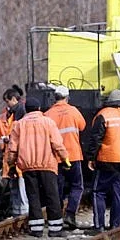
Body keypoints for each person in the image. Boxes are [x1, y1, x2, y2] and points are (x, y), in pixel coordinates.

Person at [7, 96, 70, 237]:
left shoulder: (19, 125)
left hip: (28, 167)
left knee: (33, 196)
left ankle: (36, 229)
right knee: (52, 195)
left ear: (26, 109)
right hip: (47, 164)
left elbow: (12, 149)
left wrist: (11, 165)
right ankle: (55, 229)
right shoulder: (48, 122)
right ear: (39, 108)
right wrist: (65, 159)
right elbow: (57, 144)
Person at [85, 89, 120, 233]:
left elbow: (96, 139)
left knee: (98, 192)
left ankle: (99, 226)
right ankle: (116, 226)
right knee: (119, 194)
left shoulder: (103, 114)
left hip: (106, 160)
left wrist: (90, 158)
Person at [44, 85, 86, 230]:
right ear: (67, 97)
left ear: (54, 98)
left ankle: (57, 216)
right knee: (77, 186)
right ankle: (70, 214)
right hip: (73, 155)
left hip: (56, 157)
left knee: (57, 188)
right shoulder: (74, 111)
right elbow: (82, 126)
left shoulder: (48, 114)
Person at [0, 86, 29, 217]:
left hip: (18, 158)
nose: (7, 105)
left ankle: (22, 213)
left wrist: (9, 140)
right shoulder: (18, 112)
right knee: (17, 187)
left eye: (7, 101)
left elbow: (18, 135)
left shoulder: (20, 113)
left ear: (14, 99)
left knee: (20, 188)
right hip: (15, 159)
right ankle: (18, 212)